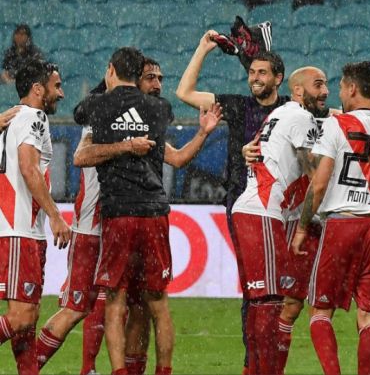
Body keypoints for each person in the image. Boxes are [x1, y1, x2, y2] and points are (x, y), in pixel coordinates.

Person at [34, 58, 221, 375]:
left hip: (130, 219)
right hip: (96, 225)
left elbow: (174, 158)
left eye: (160, 78)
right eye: (150, 78)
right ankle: (39, 366)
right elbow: (82, 157)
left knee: (139, 305)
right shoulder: (104, 114)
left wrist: (202, 134)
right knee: (81, 306)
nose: (157, 84)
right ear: (132, 79)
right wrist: (126, 146)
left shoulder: (146, 118)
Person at [291, 61, 370, 375]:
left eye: (341, 89)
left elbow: (319, 184)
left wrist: (303, 227)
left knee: (321, 310)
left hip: (342, 224)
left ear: (351, 88)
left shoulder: (337, 125)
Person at [176, 30, 289, 372]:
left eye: (262, 73)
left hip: (283, 207)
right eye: (252, 73)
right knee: (257, 290)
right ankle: (253, 361)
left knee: (274, 292)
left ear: (278, 79)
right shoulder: (238, 106)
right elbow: (184, 93)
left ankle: (263, 361)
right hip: (243, 206)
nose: (254, 79)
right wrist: (202, 49)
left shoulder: (291, 110)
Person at [73, 47, 176, 375]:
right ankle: (163, 371)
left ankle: (118, 371)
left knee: (115, 301)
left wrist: (107, 87)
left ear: (111, 70)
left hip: (119, 212)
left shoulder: (97, 105)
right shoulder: (159, 108)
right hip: (154, 211)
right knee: (157, 303)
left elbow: (79, 116)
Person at [240, 66, 331, 375]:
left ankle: (256, 370)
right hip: (263, 211)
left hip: (263, 211)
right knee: (268, 300)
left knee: (262, 301)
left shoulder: (281, 115)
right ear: (298, 90)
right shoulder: (301, 118)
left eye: (327, 84)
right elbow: (315, 175)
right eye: (318, 85)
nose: (325, 91)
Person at [0, 59, 69, 374]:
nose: (62, 93)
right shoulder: (33, 117)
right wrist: (55, 215)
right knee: (23, 317)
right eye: (56, 86)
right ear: (38, 89)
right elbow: (29, 168)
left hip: (23, 229)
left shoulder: (14, 120)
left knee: (27, 318)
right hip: (19, 229)